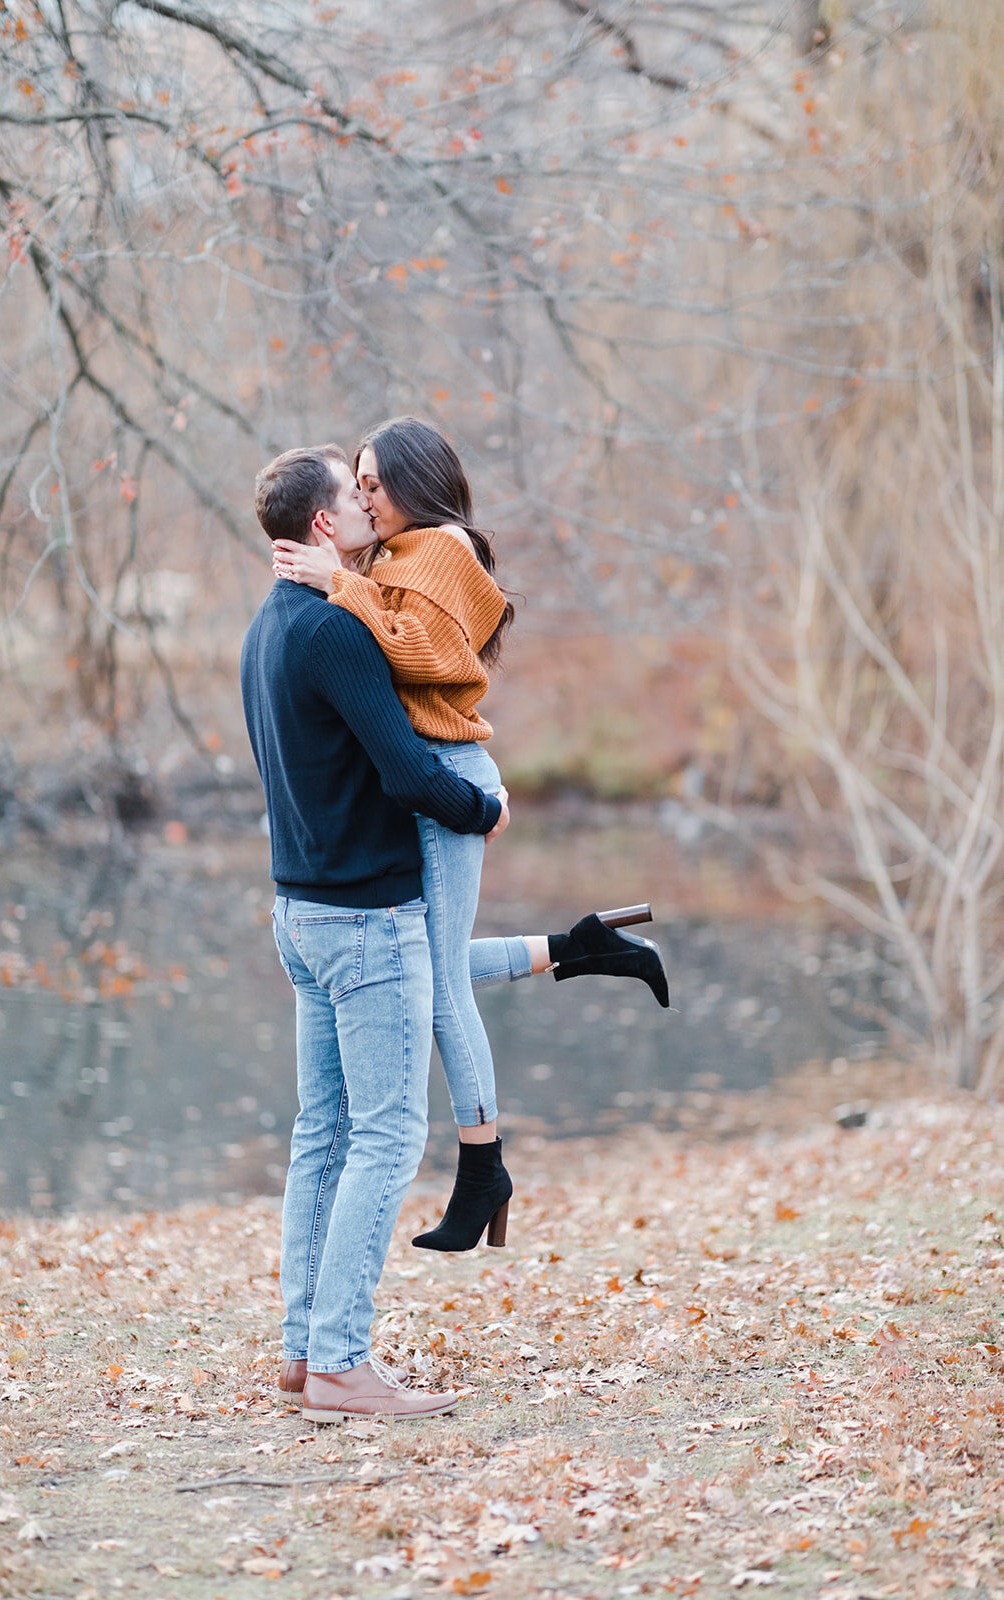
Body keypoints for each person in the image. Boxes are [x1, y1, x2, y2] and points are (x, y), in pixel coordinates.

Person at [271, 416, 669, 1255]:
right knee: (432, 963)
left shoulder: (444, 547)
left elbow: (424, 654)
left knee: (439, 983)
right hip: (432, 777)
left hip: (449, 778)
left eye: (376, 482)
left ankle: (482, 1161)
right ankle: (581, 947)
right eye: (359, 483)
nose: (367, 497)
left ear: (416, 480)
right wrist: (346, 577)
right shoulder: (400, 555)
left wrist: (337, 583)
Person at [241, 442, 510, 1423]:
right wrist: (480, 812)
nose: (366, 508)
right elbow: (404, 771)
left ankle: (301, 1353)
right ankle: (343, 1362)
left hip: (297, 912)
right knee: (386, 1138)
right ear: (321, 528)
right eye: (351, 499)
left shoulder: (266, 629)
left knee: (322, 1137)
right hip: (363, 918)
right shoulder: (334, 631)